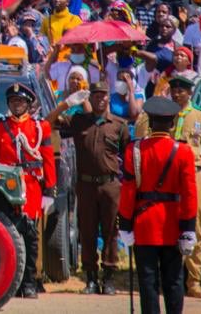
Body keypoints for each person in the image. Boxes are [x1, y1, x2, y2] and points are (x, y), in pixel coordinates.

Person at [132, 75, 201, 299]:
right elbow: (140, 134)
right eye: (174, 90)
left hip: (193, 173)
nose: (177, 94)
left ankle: (194, 279)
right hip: (165, 175)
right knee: (168, 225)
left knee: (194, 224)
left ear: (190, 93)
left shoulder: (199, 116)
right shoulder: (159, 115)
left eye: (182, 91)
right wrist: (149, 108)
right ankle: (166, 276)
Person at [118, 96, 198, 314]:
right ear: (172, 124)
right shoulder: (183, 151)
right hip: (172, 223)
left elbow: (128, 191)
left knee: (148, 281)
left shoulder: (135, 150)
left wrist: (125, 224)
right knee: (173, 280)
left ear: (150, 123)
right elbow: (190, 194)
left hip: (144, 223)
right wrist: (188, 228)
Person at [53, 81, 129, 294]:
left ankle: (109, 278)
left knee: (111, 232)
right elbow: (49, 122)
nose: (100, 99)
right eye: (96, 95)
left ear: (108, 98)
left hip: (110, 184)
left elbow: (126, 152)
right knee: (86, 232)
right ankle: (91, 278)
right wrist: (66, 103)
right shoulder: (79, 121)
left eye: (104, 95)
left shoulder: (119, 125)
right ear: (90, 98)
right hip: (85, 184)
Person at [0, 83, 56, 299]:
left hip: (31, 185)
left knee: (30, 236)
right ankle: (10, 283)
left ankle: (29, 282)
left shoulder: (40, 127)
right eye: (12, 101)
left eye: (20, 101)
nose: (16, 105)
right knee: (8, 234)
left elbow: (47, 158)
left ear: (28, 104)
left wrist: (50, 189)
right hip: (7, 186)